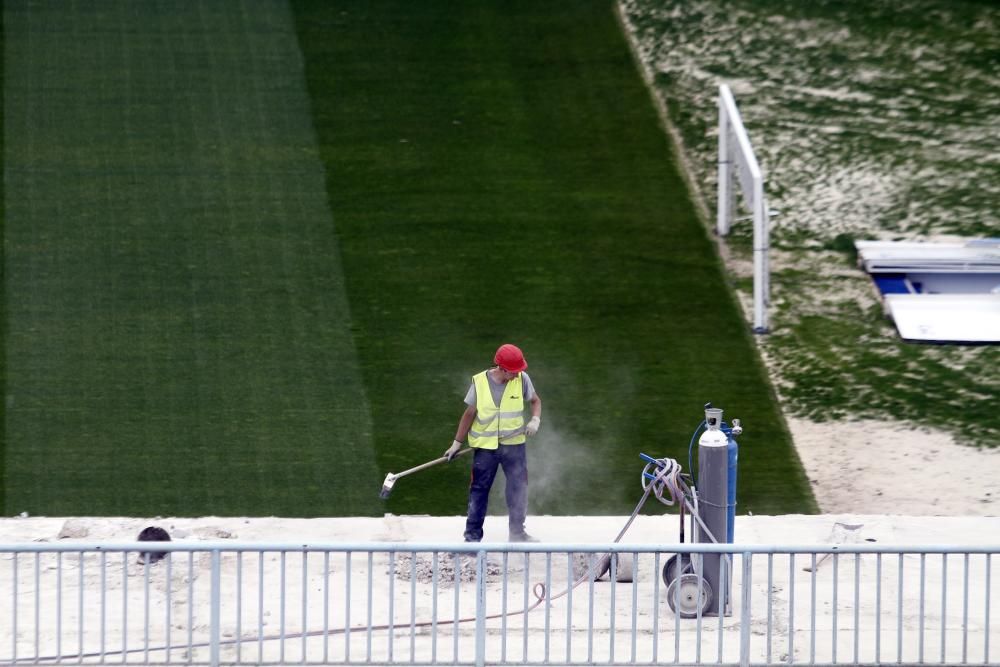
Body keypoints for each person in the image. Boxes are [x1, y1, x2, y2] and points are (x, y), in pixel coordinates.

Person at [445, 343, 542, 542]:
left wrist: (535, 420)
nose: (517, 374)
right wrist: (457, 443)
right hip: (486, 448)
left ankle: (517, 533)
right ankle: (472, 538)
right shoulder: (479, 382)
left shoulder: (522, 379)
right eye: (513, 371)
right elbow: (469, 414)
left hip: (514, 444)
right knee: (479, 491)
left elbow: (535, 401)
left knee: (518, 488)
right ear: (502, 368)